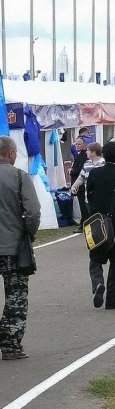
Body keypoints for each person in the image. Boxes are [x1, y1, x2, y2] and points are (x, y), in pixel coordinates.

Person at [0, 136, 41, 359]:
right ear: (11, 153)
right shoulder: (19, 177)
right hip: (12, 247)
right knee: (15, 296)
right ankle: (10, 345)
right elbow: (32, 211)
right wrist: (29, 233)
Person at [86, 142, 115, 309]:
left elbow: (89, 194)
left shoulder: (94, 173)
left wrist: (94, 210)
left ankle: (98, 282)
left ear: (103, 155)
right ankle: (111, 301)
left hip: (98, 223)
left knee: (95, 259)